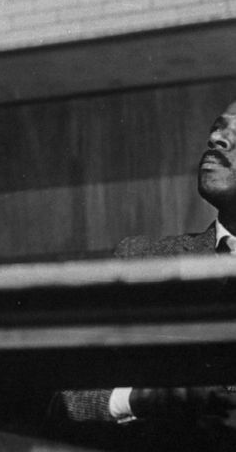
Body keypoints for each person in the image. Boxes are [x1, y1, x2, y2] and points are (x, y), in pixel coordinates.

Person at [49, 98, 236, 450]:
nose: (217, 139)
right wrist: (139, 398)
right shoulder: (141, 261)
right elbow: (67, 399)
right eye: (217, 128)